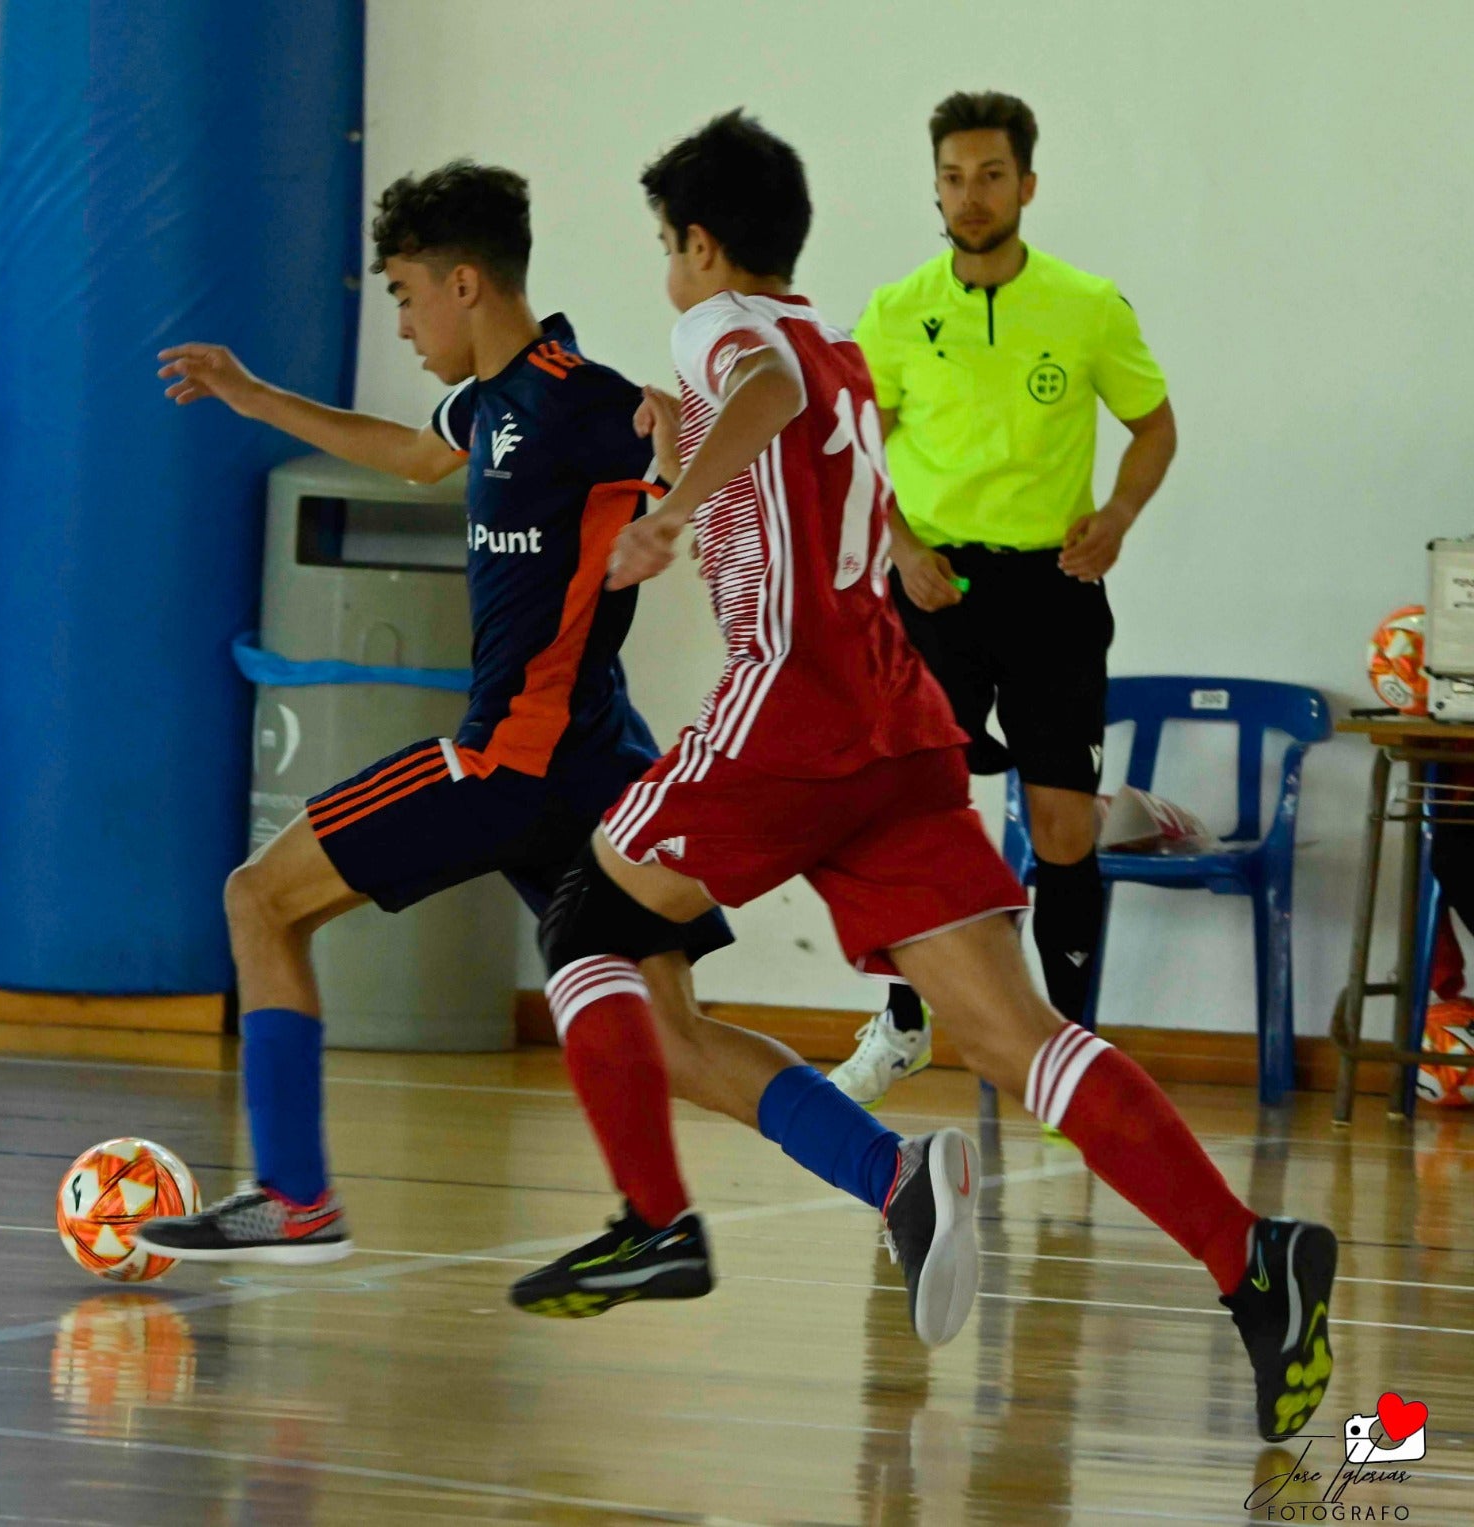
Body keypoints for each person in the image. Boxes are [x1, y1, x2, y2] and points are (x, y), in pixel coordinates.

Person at [514, 111, 1336, 1443]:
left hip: (786, 712)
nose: (667, 273)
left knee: (588, 932)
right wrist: (686, 463)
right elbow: (791, 447)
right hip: (897, 720)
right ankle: (1253, 1260)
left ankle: (661, 1221)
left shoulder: (721, 327)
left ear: (703, 246)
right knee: (1020, 1038)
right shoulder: (837, 343)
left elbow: (756, 400)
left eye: (668, 248)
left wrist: (668, 511)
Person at [134, 163, 952, 1330]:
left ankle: (297, 1196)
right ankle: (894, 1176)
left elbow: (681, 436)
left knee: (260, 900)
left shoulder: (578, 395)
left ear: (466, 283)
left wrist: (675, 446)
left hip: (510, 759)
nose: (406, 324)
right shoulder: (494, 403)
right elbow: (415, 455)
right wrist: (252, 394)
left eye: (409, 298)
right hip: (595, 769)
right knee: (673, 1034)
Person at [831, 90, 1178, 1108]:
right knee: (903, 811)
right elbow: (854, 449)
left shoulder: (1087, 304)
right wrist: (898, 548)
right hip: (932, 585)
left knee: (1062, 822)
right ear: (933, 186)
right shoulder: (895, 310)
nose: (969, 195)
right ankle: (903, 1023)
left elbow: (1154, 428)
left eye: (989, 176)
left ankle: (1069, 1061)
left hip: (1050, 588)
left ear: (1025, 185)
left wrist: (1113, 517)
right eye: (951, 177)